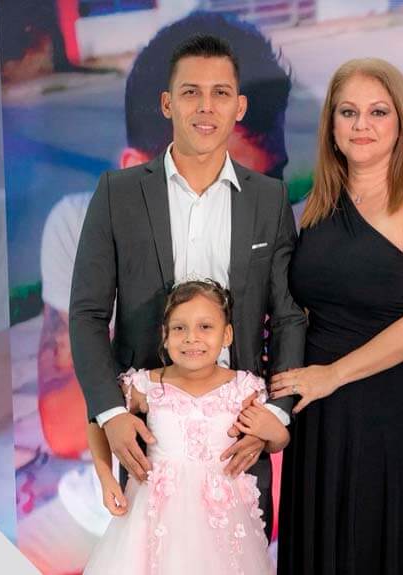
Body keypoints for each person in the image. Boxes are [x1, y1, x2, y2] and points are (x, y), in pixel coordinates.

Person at [68, 32, 306, 539]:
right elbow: (88, 314)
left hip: (238, 437)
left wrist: (277, 412)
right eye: (191, 91)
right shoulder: (118, 193)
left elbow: (288, 316)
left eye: (221, 93)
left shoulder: (269, 199)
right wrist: (110, 412)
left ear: (239, 106)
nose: (206, 106)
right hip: (148, 437)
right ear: (167, 103)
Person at [38, 12, 292, 460]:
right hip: (145, 464)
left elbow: (292, 345)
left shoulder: (274, 212)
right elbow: (61, 425)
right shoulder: (87, 218)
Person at [270, 58, 403, 574]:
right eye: (348, 112)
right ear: (331, 125)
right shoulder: (316, 205)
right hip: (319, 416)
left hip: (389, 415)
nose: (362, 125)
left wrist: (332, 375)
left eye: (378, 112)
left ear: (401, 124)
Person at [83, 280, 287, 574]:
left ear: (227, 334)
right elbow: (98, 419)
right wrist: (106, 478)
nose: (192, 338)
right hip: (153, 517)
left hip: (222, 517)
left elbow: (277, 439)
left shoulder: (243, 388)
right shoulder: (146, 385)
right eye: (179, 328)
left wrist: (271, 431)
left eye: (205, 327)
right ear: (164, 336)